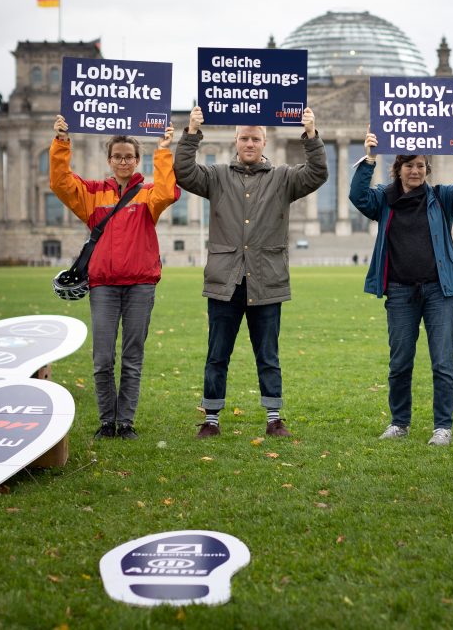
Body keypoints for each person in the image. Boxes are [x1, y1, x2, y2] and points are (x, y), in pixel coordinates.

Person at [175, 105, 328, 439]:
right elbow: (184, 173)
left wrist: (311, 136)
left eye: (255, 138)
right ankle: (211, 419)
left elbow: (317, 174)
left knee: (268, 355)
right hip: (224, 281)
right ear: (236, 141)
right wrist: (190, 134)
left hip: (266, 279)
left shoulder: (284, 178)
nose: (249, 143)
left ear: (263, 143)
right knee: (217, 354)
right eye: (244, 137)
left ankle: (274, 418)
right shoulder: (215, 176)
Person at [349, 124, 453, 446]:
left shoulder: (442, 197)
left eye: (421, 166)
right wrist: (368, 159)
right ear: (398, 169)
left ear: (427, 170)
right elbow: (357, 196)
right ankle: (399, 422)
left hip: (439, 291)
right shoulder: (383, 200)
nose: (415, 171)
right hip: (399, 292)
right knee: (399, 363)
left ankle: (443, 426)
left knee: (442, 362)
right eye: (409, 165)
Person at [50, 115, 179, 440]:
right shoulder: (93, 195)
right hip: (104, 286)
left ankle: (126, 424)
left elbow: (168, 192)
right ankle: (107, 422)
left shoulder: (147, 195)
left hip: (140, 285)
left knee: (133, 358)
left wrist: (163, 151)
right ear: (110, 161)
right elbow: (61, 184)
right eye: (118, 156)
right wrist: (62, 143)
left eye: (129, 156)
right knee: (103, 358)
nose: (123, 161)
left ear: (137, 161)